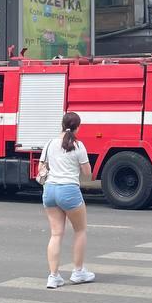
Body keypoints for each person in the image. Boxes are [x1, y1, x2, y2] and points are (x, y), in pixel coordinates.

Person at [40, 112, 95, 289]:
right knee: (80, 230)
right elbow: (87, 172)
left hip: (49, 190)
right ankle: (78, 272)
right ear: (78, 127)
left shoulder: (50, 143)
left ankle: (53, 276)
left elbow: (41, 167)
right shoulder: (78, 146)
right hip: (69, 190)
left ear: (62, 125)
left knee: (56, 234)